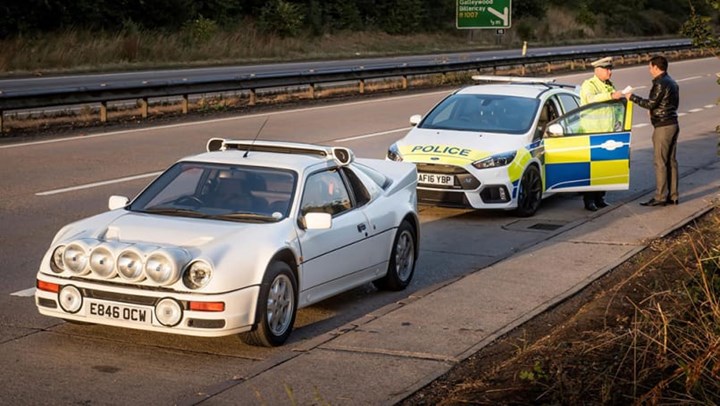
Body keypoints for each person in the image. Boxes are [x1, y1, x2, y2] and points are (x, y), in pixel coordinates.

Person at [626, 55, 680, 207]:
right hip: (673, 123)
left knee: (660, 162)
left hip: (663, 126)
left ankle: (660, 196)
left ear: (656, 67)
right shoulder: (672, 82)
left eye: (650, 67)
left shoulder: (661, 83)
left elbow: (651, 103)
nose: (649, 70)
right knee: (671, 161)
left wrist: (632, 97)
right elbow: (671, 104)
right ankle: (673, 195)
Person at [578, 56, 624, 211]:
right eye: (607, 69)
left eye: (610, 69)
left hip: (607, 133)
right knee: (591, 170)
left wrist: (619, 124)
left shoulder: (609, 85)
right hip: (592, 133)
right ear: (598, 70)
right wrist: (611, 96)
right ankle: (589, 200)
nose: (610, 72)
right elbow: (591, 100)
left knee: (604, 168)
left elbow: (613, 109)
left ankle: (600, 198)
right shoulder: (589, 85)